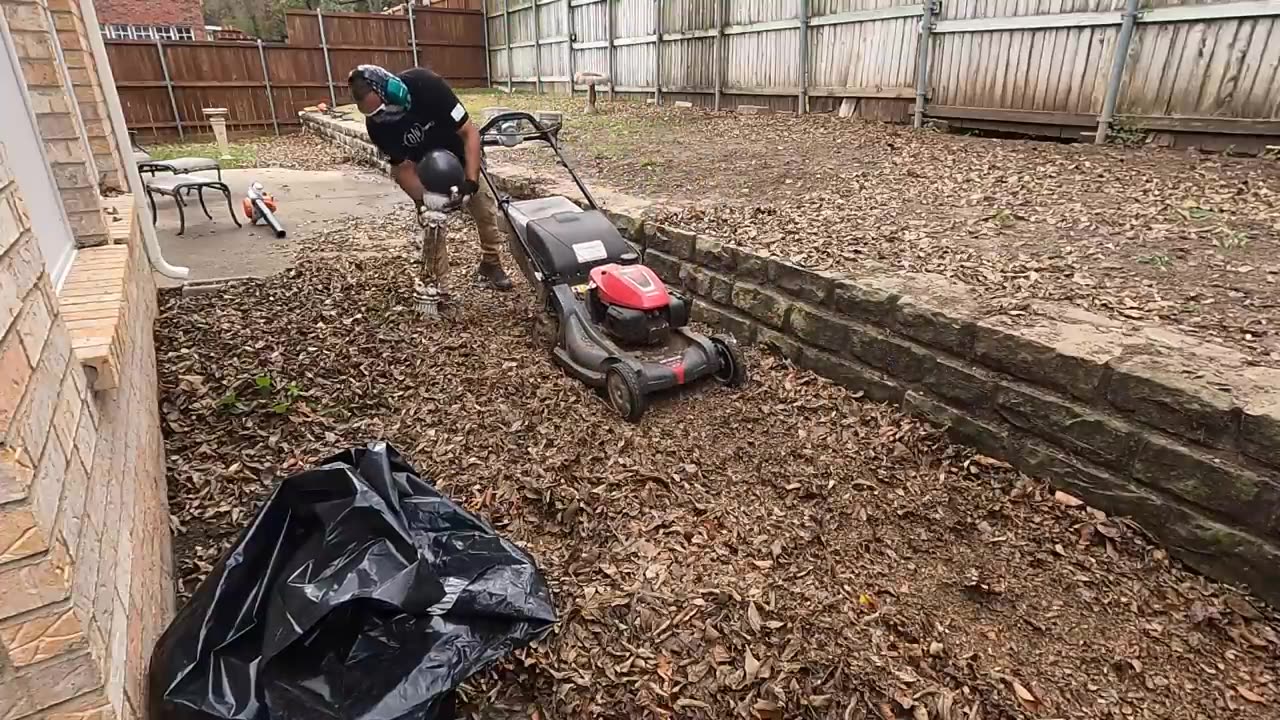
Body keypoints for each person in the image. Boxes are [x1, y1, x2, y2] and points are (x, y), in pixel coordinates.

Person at [347, 64, 513, 294]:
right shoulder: (378, 127)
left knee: (484, 207)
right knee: (432, 224)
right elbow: (402, 169)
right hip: (422, 170)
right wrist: (426, 199)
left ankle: (491, 264)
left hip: (460, 154)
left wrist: (471, 181)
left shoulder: (428, 85)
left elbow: (469, 133)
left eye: (384, 109)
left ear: (393, 90)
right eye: (375, 114)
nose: (383, 117)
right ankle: (439, 287)